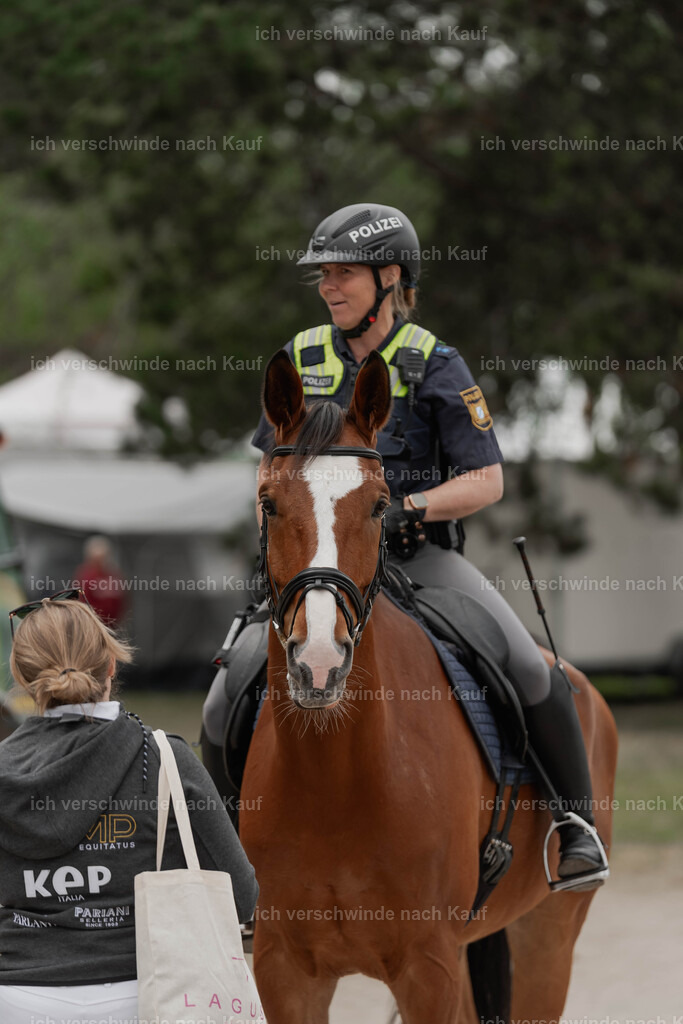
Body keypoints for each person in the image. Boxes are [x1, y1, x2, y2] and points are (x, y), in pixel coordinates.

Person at [204, 202, 607, 892]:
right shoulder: (299, 357)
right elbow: (266, 464)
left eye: (344, 274)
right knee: (224, 692)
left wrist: (407, 508)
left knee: (529, 668)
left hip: (421, 556)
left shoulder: (435, 364)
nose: (329, 287)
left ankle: (575, 826)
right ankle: (221, 860)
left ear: (390, 276)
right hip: (320, 562)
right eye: (323, 276)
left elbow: (486, 480)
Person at [0, 590, 258, 1024]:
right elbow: (242, 897)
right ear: (111, 665)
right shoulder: (166, 759)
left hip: (16, 998)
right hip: (150, 997)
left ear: (24, 678)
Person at [73, 535, 127, 628]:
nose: (101, 562)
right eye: (97, 559)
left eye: (104, 557)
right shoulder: (86, 575)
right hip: (92, 625)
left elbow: (121, 600)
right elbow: (81, 600)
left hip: (112, 625)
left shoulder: (113, 574)